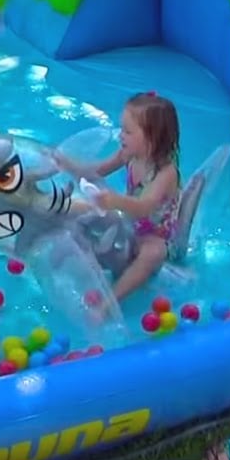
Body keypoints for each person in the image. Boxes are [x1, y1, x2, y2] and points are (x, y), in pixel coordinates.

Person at [59, 91, 182, 302]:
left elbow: (145, 207)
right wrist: (68, 165)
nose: (120, 136)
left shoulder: (166, 173)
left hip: (156, 236)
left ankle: (110, 301)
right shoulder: (128, 155)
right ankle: (67, 262)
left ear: (152, 138)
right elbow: (96, 171)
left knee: (153, 253)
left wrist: (115, 201)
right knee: (79, 212)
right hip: (128, 224)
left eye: (128, 131)